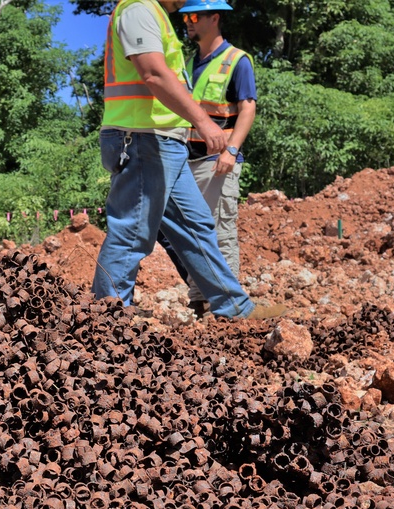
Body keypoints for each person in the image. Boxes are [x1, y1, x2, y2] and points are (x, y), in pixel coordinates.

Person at [92, 0, 285, 320]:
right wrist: (203, 121)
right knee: (132, 234)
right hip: (142, 136)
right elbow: (153, 74)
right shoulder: (139, 9)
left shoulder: (158, 16)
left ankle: (234, 307)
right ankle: (106, 319)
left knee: (195, 225)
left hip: (163, 141)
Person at [156, 0, 255, 319]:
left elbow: (247, 108)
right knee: (187, 231)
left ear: (215, 18)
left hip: (218, 161)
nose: (188, 21)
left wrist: (231, 150)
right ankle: (201, 300)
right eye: (186, 16)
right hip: (186, 160)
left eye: (195, 16)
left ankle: (227, 309)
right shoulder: (189, 62)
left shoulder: (236, 60)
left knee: (219, 230)